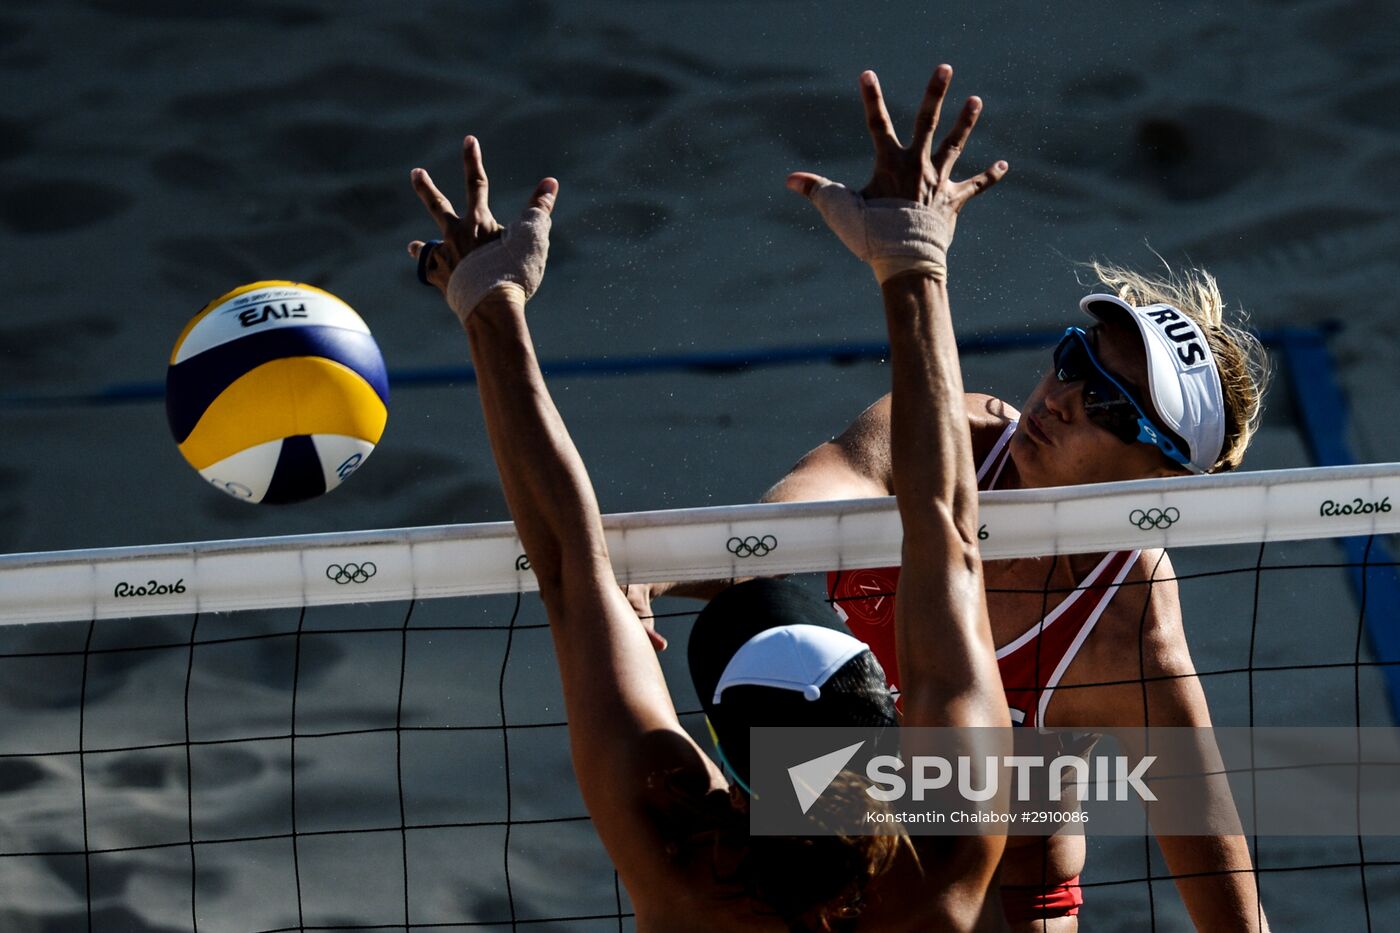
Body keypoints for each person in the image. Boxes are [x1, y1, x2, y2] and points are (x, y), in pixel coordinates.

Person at [631, 100, 1274, 933]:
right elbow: (766, 538)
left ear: (1160, 482)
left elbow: (1221, 887)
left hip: (999, 907)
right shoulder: (957, 435)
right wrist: (644, 566)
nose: (1064, 394)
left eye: (1111, 405)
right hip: (824, 845)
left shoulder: (1128, 636)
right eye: (1076, 360)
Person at [408, 65, 1012, 931]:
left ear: (718, 754)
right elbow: (948, 526)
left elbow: (572, 563)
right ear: (889, 712)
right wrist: (913, 254)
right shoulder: (947, 849)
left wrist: (491, 299)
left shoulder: (686, 862)